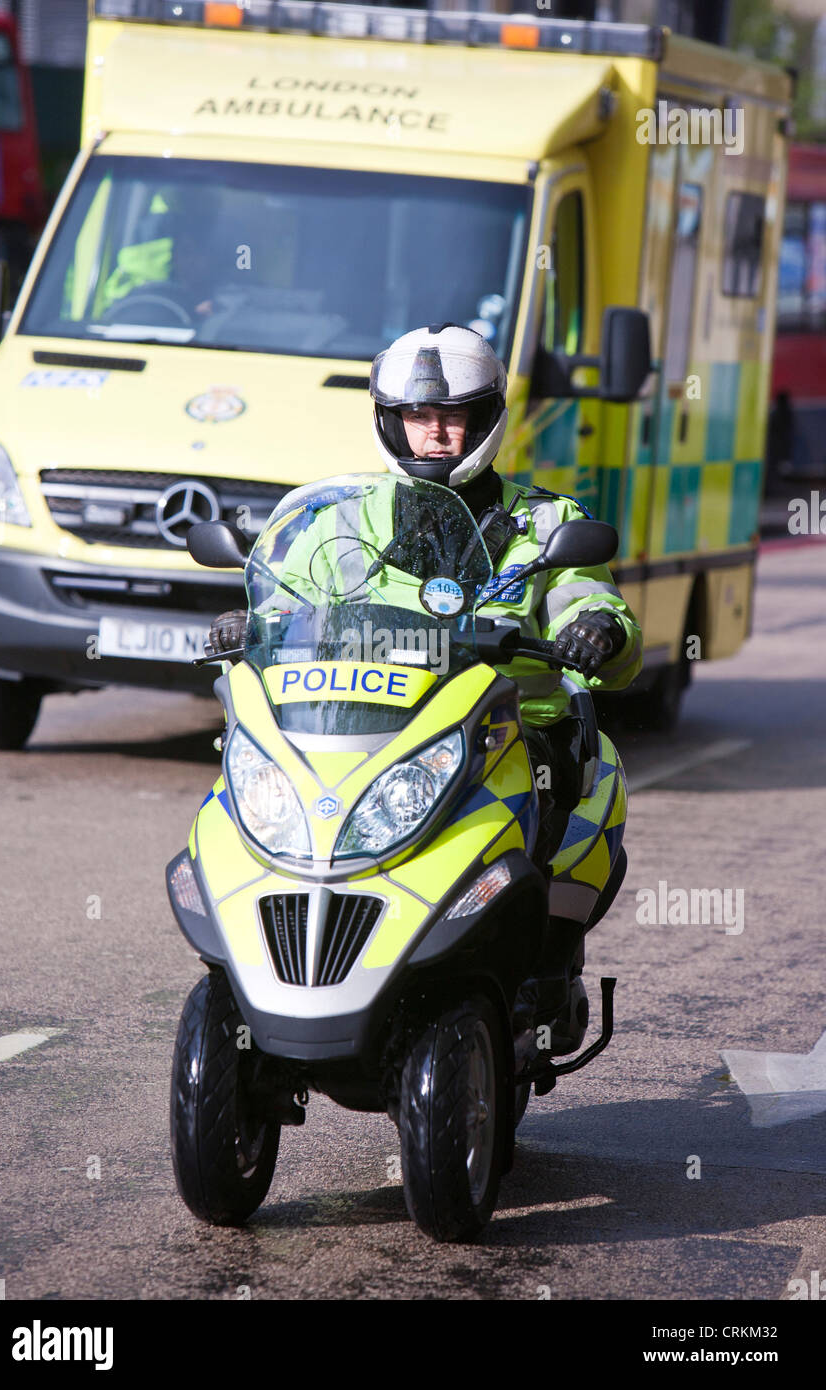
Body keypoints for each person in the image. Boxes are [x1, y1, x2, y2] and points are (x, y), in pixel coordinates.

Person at [206, 324, 643, 1026]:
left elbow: (591, 600)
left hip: (504, 737)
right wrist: (246, 624)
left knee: (566, 776)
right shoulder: (338, 517)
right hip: (366, 729)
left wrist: (598, 627)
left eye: (451, 416)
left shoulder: (547, 522)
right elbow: (285, 600)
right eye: (417, 417)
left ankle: (544, 958)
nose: (434, 434)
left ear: (485, 419)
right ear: (391, 420)